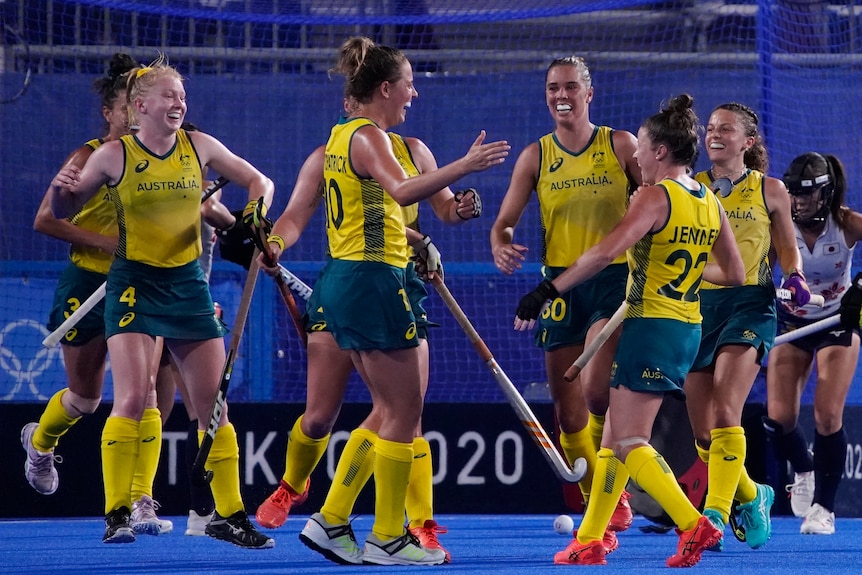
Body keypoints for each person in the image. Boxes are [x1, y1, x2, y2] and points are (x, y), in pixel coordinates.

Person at [261, 36, 508, 566]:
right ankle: (389, 536)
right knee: (400, 410)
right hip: (370, 279)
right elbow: (400, 194)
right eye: (409, 85)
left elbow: (422, 206)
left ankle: (332, 519)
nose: (414, 95)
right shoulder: (367, 138)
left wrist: (457, 207)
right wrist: (464, 166)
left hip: (370, 279)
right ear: (384, 88)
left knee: (391, 410)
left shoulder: (356, 139)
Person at [48, 55, 275, 548]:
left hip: (187, 285)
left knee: (214, 410)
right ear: (140, 104)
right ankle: (116, 513)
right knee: (132, 398)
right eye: (170, 96)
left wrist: (255, 212)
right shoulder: (112, 156)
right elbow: (62, 209)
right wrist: (63, 193)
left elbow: (261, 181)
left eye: (183, 97)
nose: (180, 103)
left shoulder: (200, 146)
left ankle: (230, 515)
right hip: (134, 284)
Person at [515, 94, 745, 567]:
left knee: (629, 442)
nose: (635, 155)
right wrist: (684, 272)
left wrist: (547, 290)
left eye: (641, 146)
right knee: (611, 443)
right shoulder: (708, 199)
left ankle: (692, 524)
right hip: (687, 326)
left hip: (650, 326)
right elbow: (737, 274)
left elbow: (604, 253)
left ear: (660, 151)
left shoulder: (655, 195)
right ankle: (591, 538)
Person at [490, 55, 640, 542]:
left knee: (595, 389)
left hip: (614, 281)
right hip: (559, 284)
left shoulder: (621, 145)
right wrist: (501, 243)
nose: (562, 95)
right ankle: (602, 492)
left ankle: (610, 497)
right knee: (568, 406)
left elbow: (659, 200)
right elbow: (504, 220)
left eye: (571, 87)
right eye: (554, 87)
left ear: (589, 94)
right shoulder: (535, 156)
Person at [24, 53, 172, 537]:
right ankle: (40, 444)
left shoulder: (155, 156)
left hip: (136, 285)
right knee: (86, 399)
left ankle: (142, 500)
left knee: (145, 393)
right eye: (124, 108)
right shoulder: (86, 157)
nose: (133, 116)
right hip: (87, 283)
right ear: (109, 113)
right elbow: (46, 219)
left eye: (138, 107)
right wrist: (108, 243)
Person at [684, 102, 811, 552]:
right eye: (710, 128)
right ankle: (752, 493)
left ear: (748, 142)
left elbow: (787, 249)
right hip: (696, 310)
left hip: (750, 305)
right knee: (704, 435)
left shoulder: (770, 190)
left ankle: (713, 518)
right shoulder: (689, 188)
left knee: (724, 413)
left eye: (726, 129)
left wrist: (793, 275)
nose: (714, 135)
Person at [765, 152, 862, 535]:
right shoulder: (779, 226)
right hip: (794, 323)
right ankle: (803, 470)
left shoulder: (847, 223)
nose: (799, 202)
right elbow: (757, 268)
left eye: (807, 195)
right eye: (794, 194)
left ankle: (824, 507)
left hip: (838, 322)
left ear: (827, 194)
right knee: (779, 417)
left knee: (826, 414)